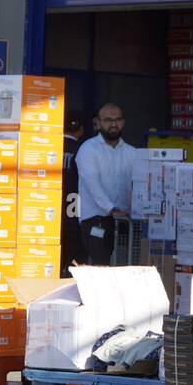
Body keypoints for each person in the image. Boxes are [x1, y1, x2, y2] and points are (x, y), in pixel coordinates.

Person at [74, 103, 138, 265]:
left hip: (126, 220)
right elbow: (91, 183)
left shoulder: (132, 153)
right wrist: (111, 208)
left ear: (123, 122)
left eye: (118, 119)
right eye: (108, 120)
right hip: (96, 219)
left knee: (125, 267)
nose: (114, 124)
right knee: (100, 269)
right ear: (97, 123)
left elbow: (139, 185)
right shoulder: (88, 149)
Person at [60, 111, 88, 275]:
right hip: (74, 212)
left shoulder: (50, 148)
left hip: (50, 212)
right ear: (81, 130)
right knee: (75, 261)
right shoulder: (82, 151)